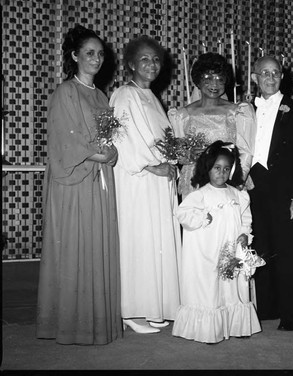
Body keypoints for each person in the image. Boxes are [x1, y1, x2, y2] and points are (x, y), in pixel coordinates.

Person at [36, 24, 121, 345]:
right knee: (74, 246)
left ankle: (96, 323)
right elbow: (63, 142)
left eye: (100, 54)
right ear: (74, 56)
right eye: (89, 53)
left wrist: (111, 153)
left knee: (96, 243)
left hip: (98, 181)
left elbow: (107, 139)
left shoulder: (100, 95)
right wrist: (100, 155)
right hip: (73, 182)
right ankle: (70, 324)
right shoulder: (64, 92)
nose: (96, 59)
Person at [109, 36, 181, 333]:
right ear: (130, 64)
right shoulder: (124, 94)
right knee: (139, 241)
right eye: (145, 60)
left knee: (156, 243)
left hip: (157, 179)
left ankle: (154, 305)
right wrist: (154, 165)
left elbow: (162, 139)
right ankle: (131, 310)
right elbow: (125, 140)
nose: (151, 65)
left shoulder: (151, 96)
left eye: (155, 60)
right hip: (138, 180)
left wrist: (173, 163)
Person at [249, 56, 293, 331]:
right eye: (264, 73)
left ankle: (292, 313)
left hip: (285, 190)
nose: (270, 77)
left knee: (288, 252)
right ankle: (266, 307)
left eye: (275, 72)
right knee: (260, 249)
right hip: (253, 186)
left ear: (282, 77)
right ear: (255, 78)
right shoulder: (243, 109)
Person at [172, 141, 262, 344]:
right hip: (208, 251)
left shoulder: (238, 194)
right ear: (208, 169)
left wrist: (244, 234)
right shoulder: (200, 194)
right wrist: (203, 218)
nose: (221, 173)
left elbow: (245, 218)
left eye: (226, 169)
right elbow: (182, 213)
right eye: (217, 168)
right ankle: (208, 329)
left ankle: (236, 325)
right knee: (210, 287)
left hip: (230, 250)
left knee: (232, 286)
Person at [168, 52, 256, 198]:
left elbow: (245, 150)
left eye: (219, 79)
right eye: (208, 78)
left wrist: (236, 180)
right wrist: (188, 155)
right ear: (198, 80)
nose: (214, 84)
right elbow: (178, 153)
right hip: (195, 183)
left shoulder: (239, 112)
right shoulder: (182, 115)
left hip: (227, 180)